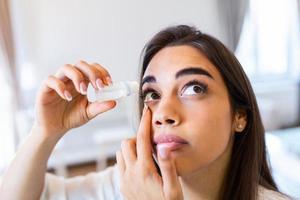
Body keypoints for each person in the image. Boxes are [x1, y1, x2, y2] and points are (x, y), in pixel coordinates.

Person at [0, 25, 290, 200]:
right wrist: (45, 132)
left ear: (240, 116)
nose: (163, 113)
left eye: (194, 89)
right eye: (152, 95)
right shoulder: (124, 185)